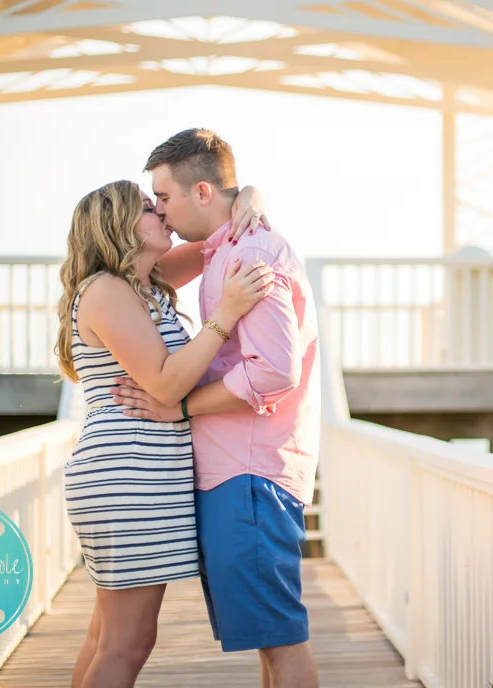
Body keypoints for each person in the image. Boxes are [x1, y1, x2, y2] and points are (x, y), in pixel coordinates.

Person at [111, 128, 321, 688]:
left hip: (250, 471)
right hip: (236, 471)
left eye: (164, 197)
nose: (159, 209)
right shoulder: (221, 248)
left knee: (281, 641)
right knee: (268, 642)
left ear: (202, 192)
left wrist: (181, 410)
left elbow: (275, 369)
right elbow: (146, 272)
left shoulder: (249, 251)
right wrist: (250, 191)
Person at [57, 179, 273, 688]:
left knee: (107, 638)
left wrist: (251, 196)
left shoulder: (143, 281)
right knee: (127, 643)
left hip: (132, 474)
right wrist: (226, 314)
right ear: (120, 226)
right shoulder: (108, 291)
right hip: (127, 477)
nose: (162, 212)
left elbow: (216, 236)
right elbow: (168, 383)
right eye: (149, 207)